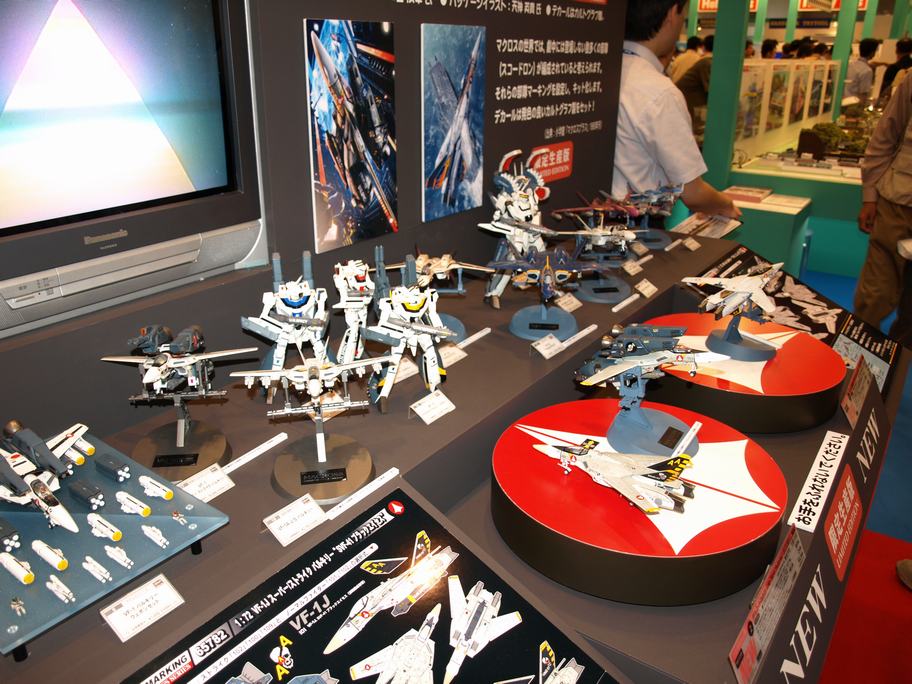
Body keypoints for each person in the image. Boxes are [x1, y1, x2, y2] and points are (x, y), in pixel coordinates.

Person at [612, 2, 739, 219]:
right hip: (637, 223)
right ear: (672, 13)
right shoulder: (659, 91)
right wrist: (725, 205)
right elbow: (693, 193)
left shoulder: (601, 69)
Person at [854, 71, 912, 340]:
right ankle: (859, 352)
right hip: (899, 202)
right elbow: (886, 135)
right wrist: (870, 196)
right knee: (875, 293)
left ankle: (900, 357)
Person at [676, 34, 714, 140]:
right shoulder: (706, 62)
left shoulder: (680, 57)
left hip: (682, 101)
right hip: (688, 105)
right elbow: (711, 91)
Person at [845, 38, 880, 103]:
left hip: (842, 101)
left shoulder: (850, 65)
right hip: (853, 104)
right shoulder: (867, 70)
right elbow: (863, 94)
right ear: (872, 52)